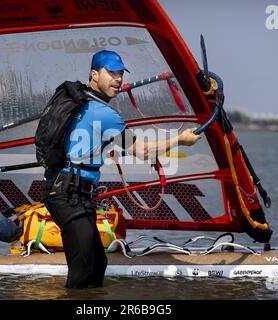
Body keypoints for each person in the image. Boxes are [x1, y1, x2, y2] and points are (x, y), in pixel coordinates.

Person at [42, 50, 201, 289]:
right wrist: (181, 139)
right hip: (67, 194)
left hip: (70, 192)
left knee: (97, 263)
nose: (118, 79)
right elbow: (143, 151)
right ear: (94, 74)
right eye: (111, 73)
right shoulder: (104, 113)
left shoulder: (81, 100)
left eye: (120, 74)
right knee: (83, 268)